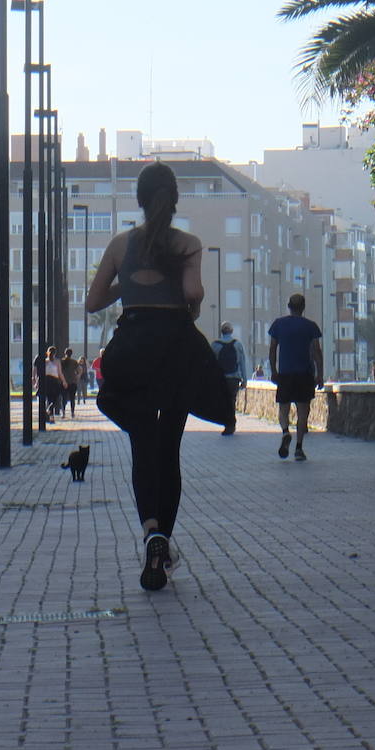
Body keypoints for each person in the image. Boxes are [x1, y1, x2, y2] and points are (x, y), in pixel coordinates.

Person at [85, 162, 233, 592]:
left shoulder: (119, 244)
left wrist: (127, 285)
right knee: (169, 448)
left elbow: (94, 302)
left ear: (139, 198)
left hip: (132, 348)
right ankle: (162, 542)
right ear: (173, 199)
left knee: (142, 446)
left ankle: (150, 529)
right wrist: (194, 297)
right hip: (174, 348)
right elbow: (191, 294)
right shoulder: (187, 243)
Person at [268, 293, 325, 462]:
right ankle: (299, 448)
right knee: (302, 412)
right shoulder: (311, 326)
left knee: (283, 409)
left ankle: (286, 432)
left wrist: (273, 370)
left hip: (285, 374)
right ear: (303, 307)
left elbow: (272, 349)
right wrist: (320, 374)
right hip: (305, 375)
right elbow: (316, 351)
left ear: (289, 306)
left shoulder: (278, 325)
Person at [210, 323, 249, 436]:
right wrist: (244, 380)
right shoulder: (237, 344)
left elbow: (212, 364)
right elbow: (242, 363)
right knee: (232, 400)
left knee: (224, 401)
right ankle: (231, 423)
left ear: (221, 331)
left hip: (221, 379)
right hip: (234, 378)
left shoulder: (215, 345)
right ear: (231, 331)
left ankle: (228, 423)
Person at [60, 348, 82, 419]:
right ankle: (72, 413)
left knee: (63, 398)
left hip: (64, 382)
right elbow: (80, 369)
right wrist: (78, 376)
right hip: (73, 382)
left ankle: (63, 413)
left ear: (65, 353)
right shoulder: (74, 362)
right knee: (72, 398)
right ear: (71, 354)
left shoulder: (61, 361)